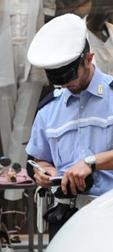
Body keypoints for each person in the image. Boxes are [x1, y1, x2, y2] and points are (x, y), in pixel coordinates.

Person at [26, 14, 113, 210]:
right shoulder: (48, 108)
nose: (65, 84)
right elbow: (40, 159)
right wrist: (44, 172)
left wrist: (92, 162)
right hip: (66, 212)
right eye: (57, 78)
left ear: (89, 59)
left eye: (69, 75)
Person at [0, 0, 48, 201]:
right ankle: (9, 183)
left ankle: (13, 192)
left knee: (23, 124)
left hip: (32, 60)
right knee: (5, 121)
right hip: (4, 58)